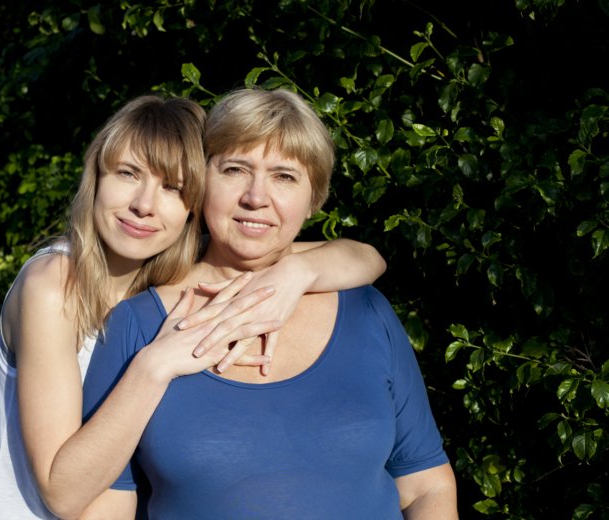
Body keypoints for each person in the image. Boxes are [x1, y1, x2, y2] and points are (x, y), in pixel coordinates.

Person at [0, 94, 387, 519]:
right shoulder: (54, 285)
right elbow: (62, 493)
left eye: (172, 187)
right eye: (128, 174)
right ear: (95, 176)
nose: (144, 205)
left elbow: (364, 257)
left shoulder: (175, 273)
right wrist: (154, 366)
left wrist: (298, 274)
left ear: (196, 203)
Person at [82, 88, 458, 519]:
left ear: (313, 198)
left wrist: (300, 273)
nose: (256, 197)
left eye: (284, 176)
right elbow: (104, 503)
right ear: (201, 181)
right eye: (236, 169)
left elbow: (425, 485)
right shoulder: (137, 323)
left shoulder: (366, 312)